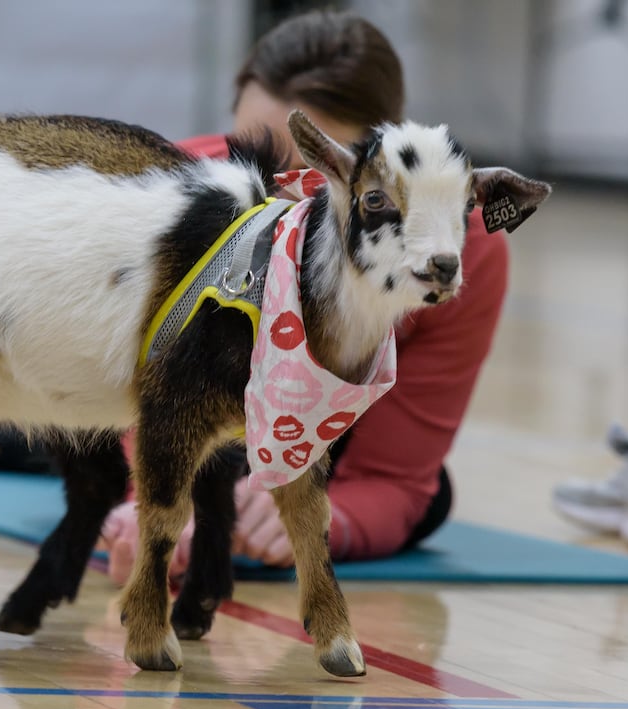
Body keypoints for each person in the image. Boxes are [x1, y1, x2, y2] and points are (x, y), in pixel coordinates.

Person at [98, 10, 511, 581]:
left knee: (433, 498)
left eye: (314, 178)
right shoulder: (173, 189)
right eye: (249, 157)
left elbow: (395, 481)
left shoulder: (461, 246)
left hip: (298, 428)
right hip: (143, 402)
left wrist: (323, 520)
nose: (275, 204)